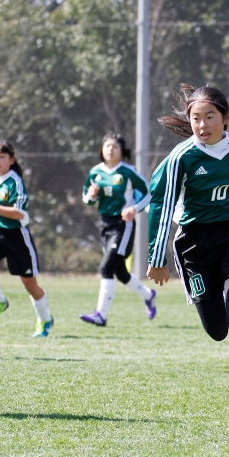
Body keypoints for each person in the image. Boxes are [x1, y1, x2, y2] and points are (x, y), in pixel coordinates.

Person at [147, 84, 229, 423]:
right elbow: (160, 205)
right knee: (218, 330)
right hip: (192, 245)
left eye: (210, 117)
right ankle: (212, 298)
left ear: (226, 118)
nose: (203, 125)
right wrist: (156, 259)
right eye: (195, 119)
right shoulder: (182, 157)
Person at [0, 141, 54, 337]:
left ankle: (45, 320)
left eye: (1, 156)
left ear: (11, 160)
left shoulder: (15, 181)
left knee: (30, 285)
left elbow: (18, 212)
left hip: (18, 236)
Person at [80, 132, 156, 327]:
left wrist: (134, 208)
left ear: (121, 151)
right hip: (105, 224)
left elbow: (150, 194)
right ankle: (148, 295)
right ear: (101, 150)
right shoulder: (95, 172)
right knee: (120, 272)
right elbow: (87, 199)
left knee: (106, 268)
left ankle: (101, 315)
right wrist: (91, 195)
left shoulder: (128, 172)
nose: (110, 150)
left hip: (123, 225)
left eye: (115, 147)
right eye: (107, 146)